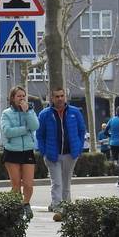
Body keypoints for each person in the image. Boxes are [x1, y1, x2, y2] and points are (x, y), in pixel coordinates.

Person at [35, 87, 86, 222]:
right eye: (57, 96)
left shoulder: (75, 112)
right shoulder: (45, 114)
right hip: (53, 155)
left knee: (66, 182)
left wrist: (79, 148)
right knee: (57, 182)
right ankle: (58, 209)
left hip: (71, 153)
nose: (60, 99)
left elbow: (82, 131)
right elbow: (39, 135)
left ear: (66, 97)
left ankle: (67, 208)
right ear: (52, 98)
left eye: (62, 96)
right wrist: (44, 152)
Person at [0, 85, 39, 221]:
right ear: (12, 98)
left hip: (27, 150)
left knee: (28, 184)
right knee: (16, 184)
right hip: (12, 152)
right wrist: (25, 129)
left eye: (23, 96)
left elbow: (35, 126)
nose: (22, 98)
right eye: (19, 96)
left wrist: (27, 112)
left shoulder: (30, 111)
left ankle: (26, 203)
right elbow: (7, 131)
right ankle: (14, 208)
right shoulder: (6, 113)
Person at [106, 107, 119, 182]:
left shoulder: (112, 120)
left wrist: (111, 136)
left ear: (116, 112)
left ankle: (114, 166)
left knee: (115, 159)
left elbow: (105, 132)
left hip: (113, 143)